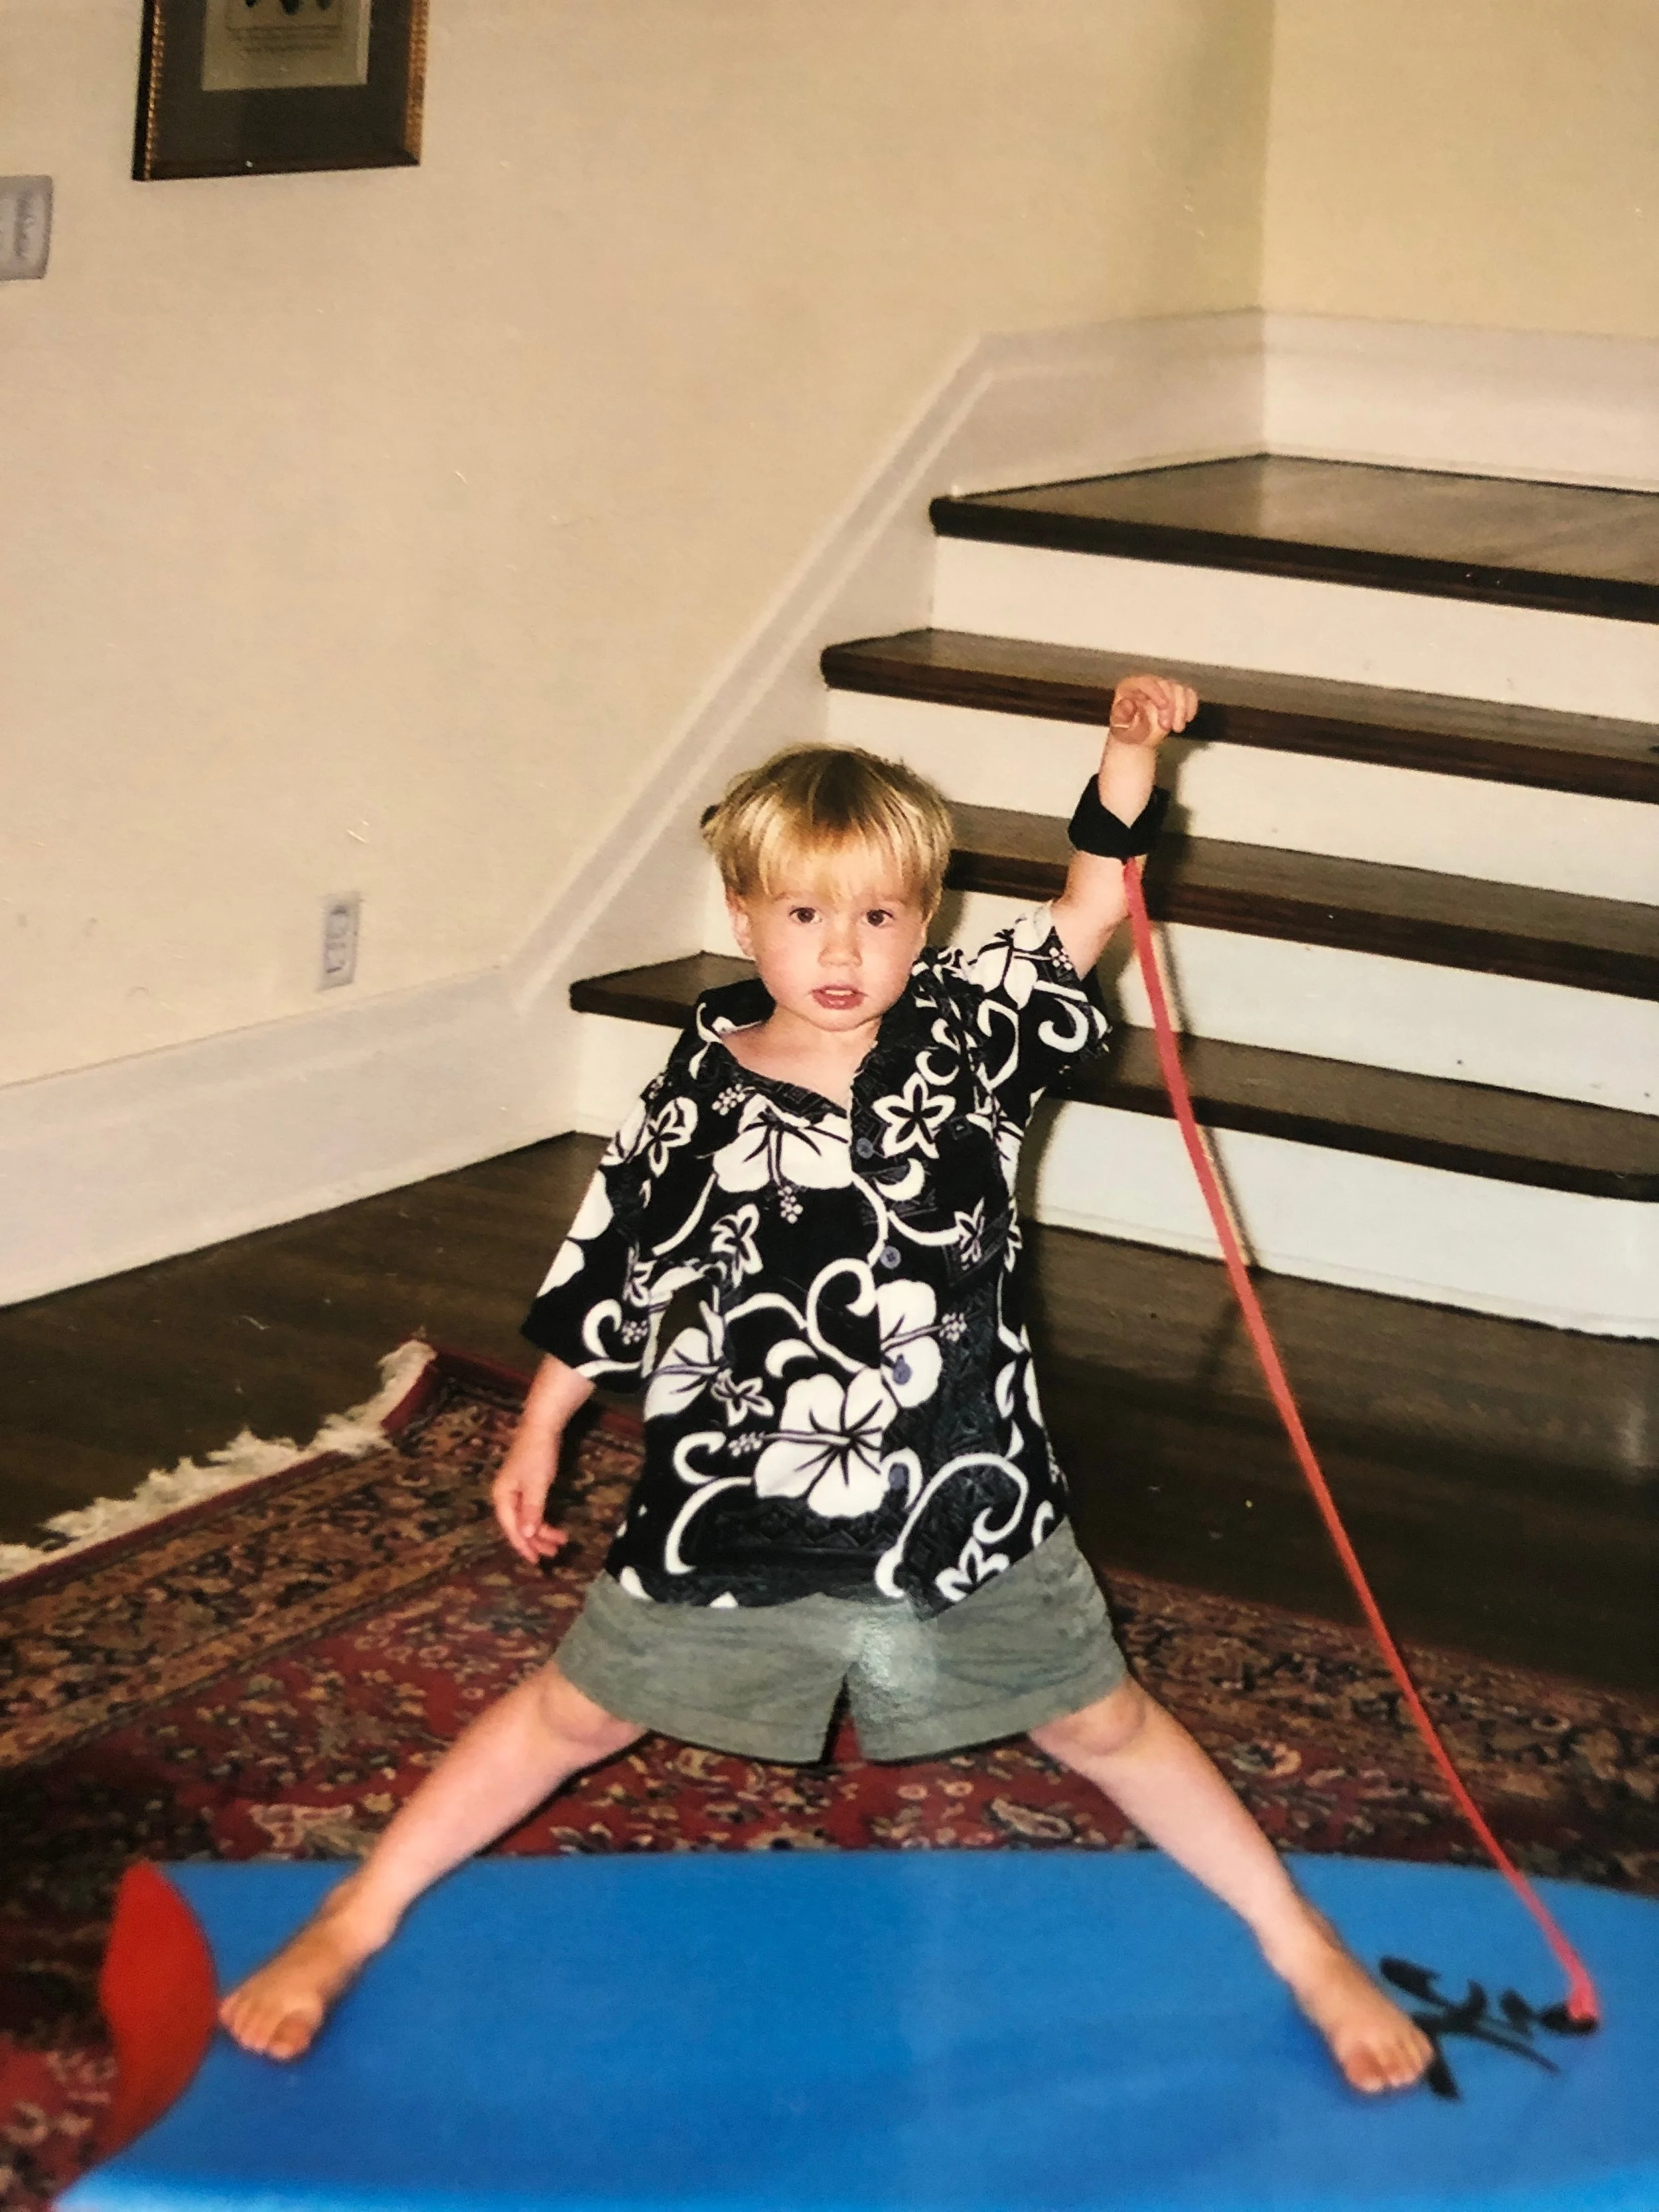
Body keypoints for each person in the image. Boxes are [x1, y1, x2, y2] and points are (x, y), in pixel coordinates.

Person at [220, 676, 1432, 2095]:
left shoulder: (973, 1033)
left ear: (925, 921)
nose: (841, 948)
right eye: (804, 914)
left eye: (877, 915)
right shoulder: (702, 1078)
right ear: (743, 919)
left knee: (1097, 1717)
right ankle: (351, 1916)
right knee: (575, 1709)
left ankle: (1296, 1940)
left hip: (960, 1486)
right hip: (731, 1489)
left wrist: (1122, 759)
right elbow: (620, 1253)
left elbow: (1092, 906)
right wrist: (546, 1415)